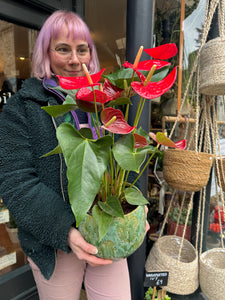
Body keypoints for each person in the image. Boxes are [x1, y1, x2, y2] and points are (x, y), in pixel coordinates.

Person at [0, 10, 136, 300]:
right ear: (46, 53)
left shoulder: (105, 100)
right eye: (63, 49)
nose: (75, 60)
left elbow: (126, 160)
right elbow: (16, 182)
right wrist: (66, 232)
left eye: (82, 49)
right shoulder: (22, 107)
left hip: (105, 229)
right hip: (53, 240)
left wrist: (136, 208)